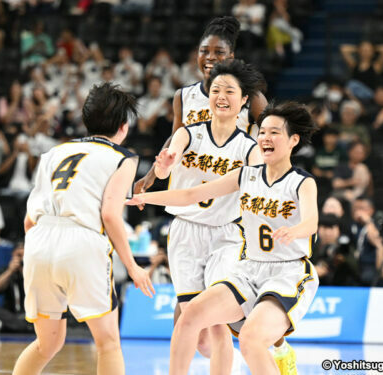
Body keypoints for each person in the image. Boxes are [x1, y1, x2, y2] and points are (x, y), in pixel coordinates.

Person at [128, 101, 320, 375]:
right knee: (190, 315)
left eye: (274, 132)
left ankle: (280, 353)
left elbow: (312, 222)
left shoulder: (302, 182)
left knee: (251, 340)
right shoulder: (246, 175)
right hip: (250, 268)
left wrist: (295, 230)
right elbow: (191, 195)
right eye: (262, 132)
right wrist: (144, 197)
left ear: (293, 140)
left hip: (288, 272)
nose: (265, 137)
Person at [12, 83, 155, 375]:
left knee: (46, 343)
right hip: (81, 242)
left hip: (39, 240)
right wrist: (132, 267)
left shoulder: (54, 152)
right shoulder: (123, 157)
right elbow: (110, 215)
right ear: (123, 126)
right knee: (108, 343)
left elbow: (28, 219)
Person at [146, 59, 264, 375]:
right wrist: (164, 165)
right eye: (215, 90)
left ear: (243, 101)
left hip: (226, 235)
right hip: (184, 232)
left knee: (217, 323)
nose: (221, 96)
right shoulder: (188, 133)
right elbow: (164, 165)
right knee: (198, 332)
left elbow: (262, 182)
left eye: (229, 91)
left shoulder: (249, 147)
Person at [135, 16, 268, 195]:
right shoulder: (183, 96)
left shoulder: (251, 97)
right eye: (204, 51)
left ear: (231, 56)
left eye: (219, 52)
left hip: (231, 195)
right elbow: (176, 139)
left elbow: (275, 137)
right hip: (188, 190)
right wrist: (151, 175)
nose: (210, 57)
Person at [0, 242, 33, 333]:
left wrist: (24, 271)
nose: (22, 259)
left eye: (25, 255)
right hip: (11, 314)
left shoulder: (33, 270)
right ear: (13, 255)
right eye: (19, 255)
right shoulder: (6, 270)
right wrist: (10, 271)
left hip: (29, 314)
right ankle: (24, 328)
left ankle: (12, 327)